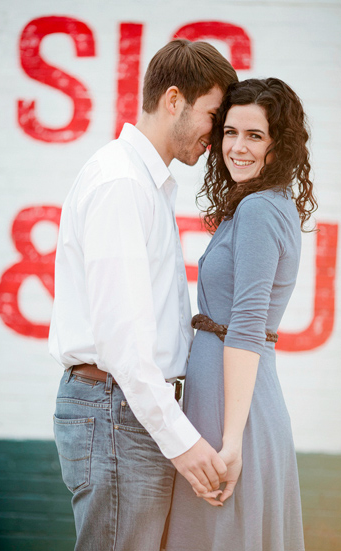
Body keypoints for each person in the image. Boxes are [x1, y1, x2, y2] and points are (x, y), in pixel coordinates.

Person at [48, 39, 238, 551]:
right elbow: (123, 344)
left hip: (123, 408)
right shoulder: (122, 184)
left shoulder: (143, 183)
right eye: (213, 116)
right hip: (116, 409)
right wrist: (184, 442)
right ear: (173, 100)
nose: (216, 136)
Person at [165, 78, 315, 550]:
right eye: (230, 132)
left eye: (255, 135)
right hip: (232, 402)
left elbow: (248, 326)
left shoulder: (259, 212)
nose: (237, 146)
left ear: (279, 144)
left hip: (232, 412)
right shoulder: (262, 205)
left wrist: (231, 443)